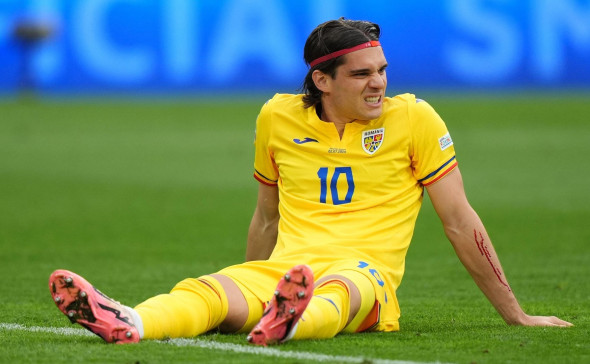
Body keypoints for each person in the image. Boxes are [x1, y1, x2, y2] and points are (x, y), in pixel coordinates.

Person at [48, 18, 572, 346]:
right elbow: (266, 216)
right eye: (363, 74)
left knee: (341, 295)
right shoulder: (277, 117)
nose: (380, 83)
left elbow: (459, 221)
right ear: (322, 81)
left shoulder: (414, 119)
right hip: (286, 269)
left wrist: (516, 315)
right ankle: (131, 322)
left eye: (382, 70)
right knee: (209, 293)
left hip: (367, 275)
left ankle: (290, 321)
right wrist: (253, 283)